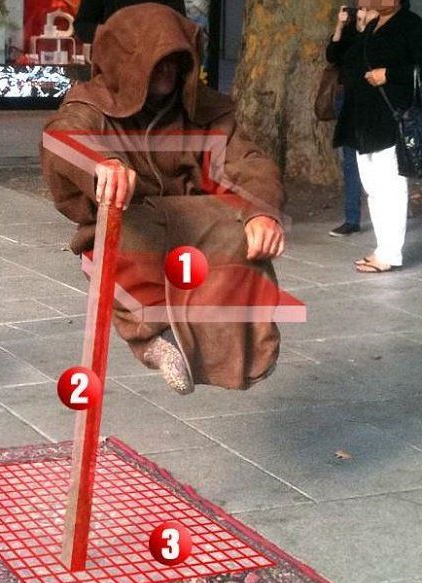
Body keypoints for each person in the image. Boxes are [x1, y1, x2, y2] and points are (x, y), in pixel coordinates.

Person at [42, 4, 285, 394]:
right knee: (128, 241)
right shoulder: (91, 103)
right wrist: (103, 166)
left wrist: (261, 213)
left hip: (194, 212)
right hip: (130, 215)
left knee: (242, 233)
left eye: (175, 62)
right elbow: (64, 137)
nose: (168, 71)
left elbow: (247, 161)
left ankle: (248, 349)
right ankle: (154, 338)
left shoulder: (207, 109)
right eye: (157, 63)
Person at [329, 0, 422, 272]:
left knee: (389, 187)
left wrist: (388, 74)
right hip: (361, 119)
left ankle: (390, 253)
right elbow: (339, 56)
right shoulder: (371, 26)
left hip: (390, 118)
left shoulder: (411, 25)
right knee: (372, 187)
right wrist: (345, 26)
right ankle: (383, 248)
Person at [326, 5, 365, 237]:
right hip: (346, 99)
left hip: (371, 100)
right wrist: (340, 25)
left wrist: (364, 28)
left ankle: (394, 209)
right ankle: (352, 218)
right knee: (350, 159)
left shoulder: (378, 31)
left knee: (377, 161)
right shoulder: (349, 29)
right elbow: (332, 56)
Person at [74, 0, 186, 44]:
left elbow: (181, 26)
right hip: (117, 66)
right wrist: (110, 34)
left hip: (159, 62)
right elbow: (82, 25)